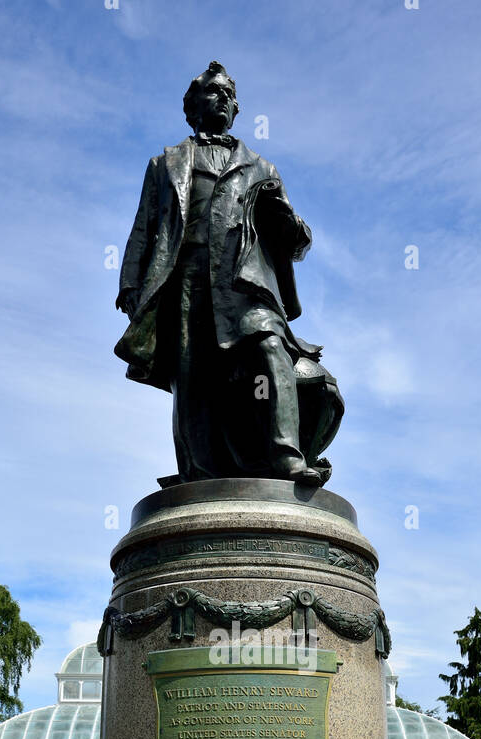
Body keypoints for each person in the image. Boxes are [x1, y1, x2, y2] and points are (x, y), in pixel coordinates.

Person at [115, 61, 340, 486]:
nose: (223, 99)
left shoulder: (262, 168)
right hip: (184, 279)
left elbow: (299, 243)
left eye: (229, 95)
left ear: (237, 109)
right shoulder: (165, 164)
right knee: (193, 378)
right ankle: (201, 476)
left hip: (245, 281)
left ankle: (285, 456)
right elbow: (144, 227)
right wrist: (130, 283)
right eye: (212, 93)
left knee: (271, 349)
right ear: (192, 108)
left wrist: (284, 217)